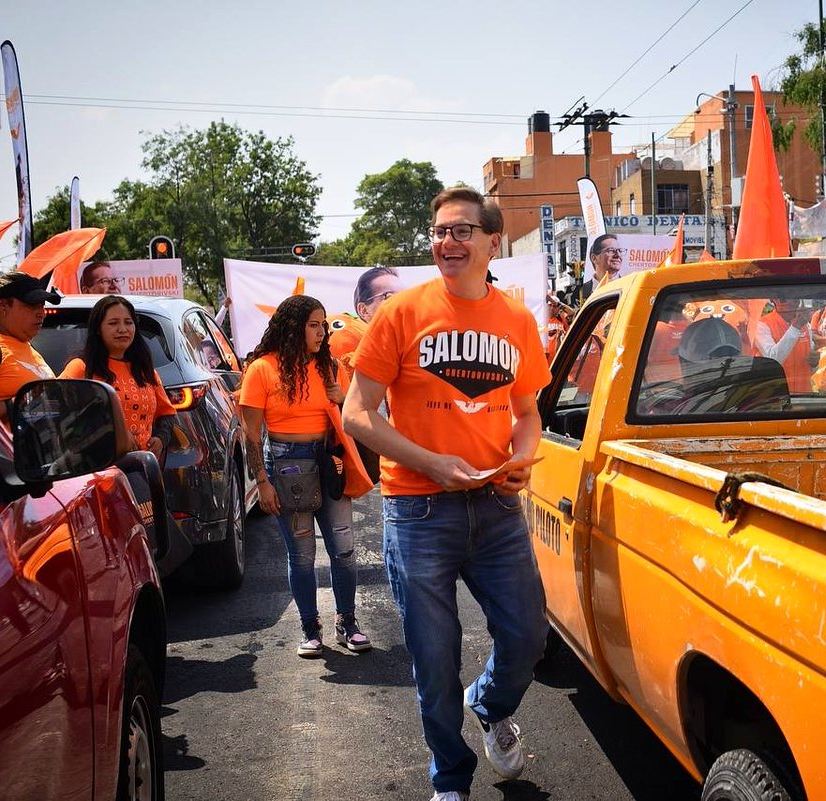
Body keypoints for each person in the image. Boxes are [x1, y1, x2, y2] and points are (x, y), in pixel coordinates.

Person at [342, 187, 551, 801]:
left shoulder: (516, 320)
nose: (447, 242)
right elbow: (357, 414)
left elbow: (528, 411)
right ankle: (450, 780)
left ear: (492, 242)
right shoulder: (399, 313)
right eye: (438, 231)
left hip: (495, 507)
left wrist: (522, 459)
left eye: (461, 231)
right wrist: (432, 461)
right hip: (416, 510)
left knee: (527, 637)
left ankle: (489, 703)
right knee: (434, 662)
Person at [240, 294, 373, 657]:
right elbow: (251, 433)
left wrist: (342, 398)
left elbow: (355, 419)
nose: (321, 331)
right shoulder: (262, 368)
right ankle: (309, 627)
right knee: (301, 556)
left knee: (344, 551)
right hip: (286, 466)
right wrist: (261, 482)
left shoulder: (330, 366)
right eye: (313, 324)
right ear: (292, 326)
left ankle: (347, 622)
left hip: (330, 461)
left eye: (323, 324)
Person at [59, 295, 176, 459]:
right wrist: (115, 433)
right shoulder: (81, 368)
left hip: (142, 470)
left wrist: (161, 439)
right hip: (98, 472)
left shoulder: (146, 372)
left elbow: (167, 413)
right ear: (98, 329)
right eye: (113, 323)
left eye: (128, 322)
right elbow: (59, 413)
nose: (122, 329)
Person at [0, 272, 60, 422]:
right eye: (32, 305)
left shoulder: (27, 345)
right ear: (3, 305)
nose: (41, 313)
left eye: (42, 305)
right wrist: (18, 404)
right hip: (4, 446)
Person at [756, 299, 813, 393]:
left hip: (804, 395)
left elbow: (811, 366)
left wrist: (814, 364)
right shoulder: (763, 325)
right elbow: (773, 360)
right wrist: (796, 327)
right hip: (777, 396)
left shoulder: (806, 325)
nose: (793, 302)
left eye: (796, 299)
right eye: (786, 299)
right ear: (776, 301)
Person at [577, 234, 623, 303]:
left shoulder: (630, 287)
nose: (618, 255)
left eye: (620, 250)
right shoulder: (580, 291)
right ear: (594, 258)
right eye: (611, 250)